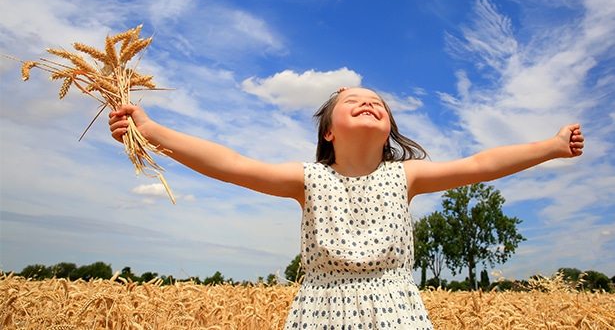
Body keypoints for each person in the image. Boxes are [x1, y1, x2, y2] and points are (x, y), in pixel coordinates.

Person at [109, 87, 584, 329]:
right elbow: (231, 164)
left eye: (377, 103)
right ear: (329, 133)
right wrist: (153, 132)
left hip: (398, 310)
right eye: (353, 101)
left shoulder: (407, 175)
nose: (367, 103)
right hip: (320, 310)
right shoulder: (307, 178)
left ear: (389, 128)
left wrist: (551, 146)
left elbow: (481, 162)